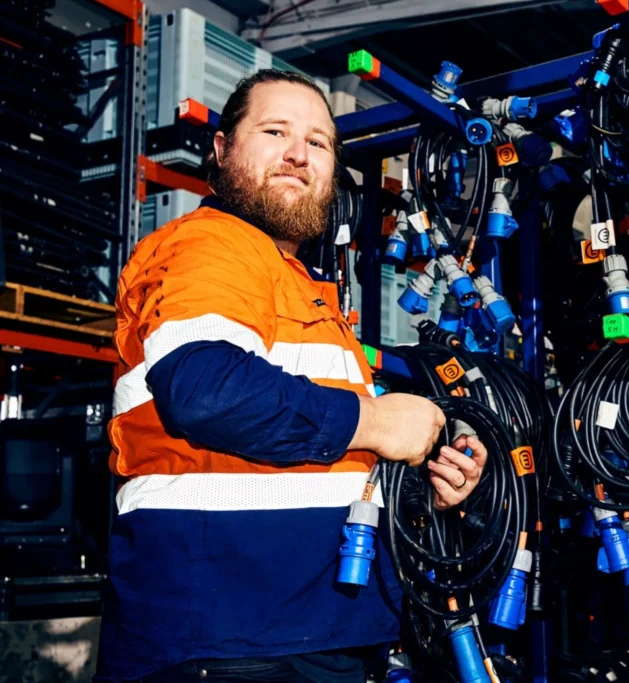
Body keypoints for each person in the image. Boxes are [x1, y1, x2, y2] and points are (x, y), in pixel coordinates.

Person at [94, 69, 488, 683]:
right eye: (274, 131)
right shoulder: (212, 248)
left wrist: (425, 488)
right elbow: (206, 389)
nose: (298, 155)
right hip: (229, 640)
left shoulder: (297, 286)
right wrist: (379, 420)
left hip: (304, 630)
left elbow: (316, 464)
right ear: (222, 149)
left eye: (318, 142)